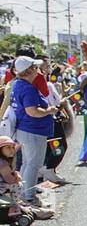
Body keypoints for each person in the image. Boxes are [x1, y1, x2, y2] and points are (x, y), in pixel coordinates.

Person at [9, 56, 57, 206]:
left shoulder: (18, 84)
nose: (38, 71)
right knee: (33, 164)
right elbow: (33, 112)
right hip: (33, 130)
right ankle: (28, 196)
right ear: (29, 70)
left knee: (27, 163)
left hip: (25, 130)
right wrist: (49, 110)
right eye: (35, 68)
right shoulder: (28, 88)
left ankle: (23, 193)